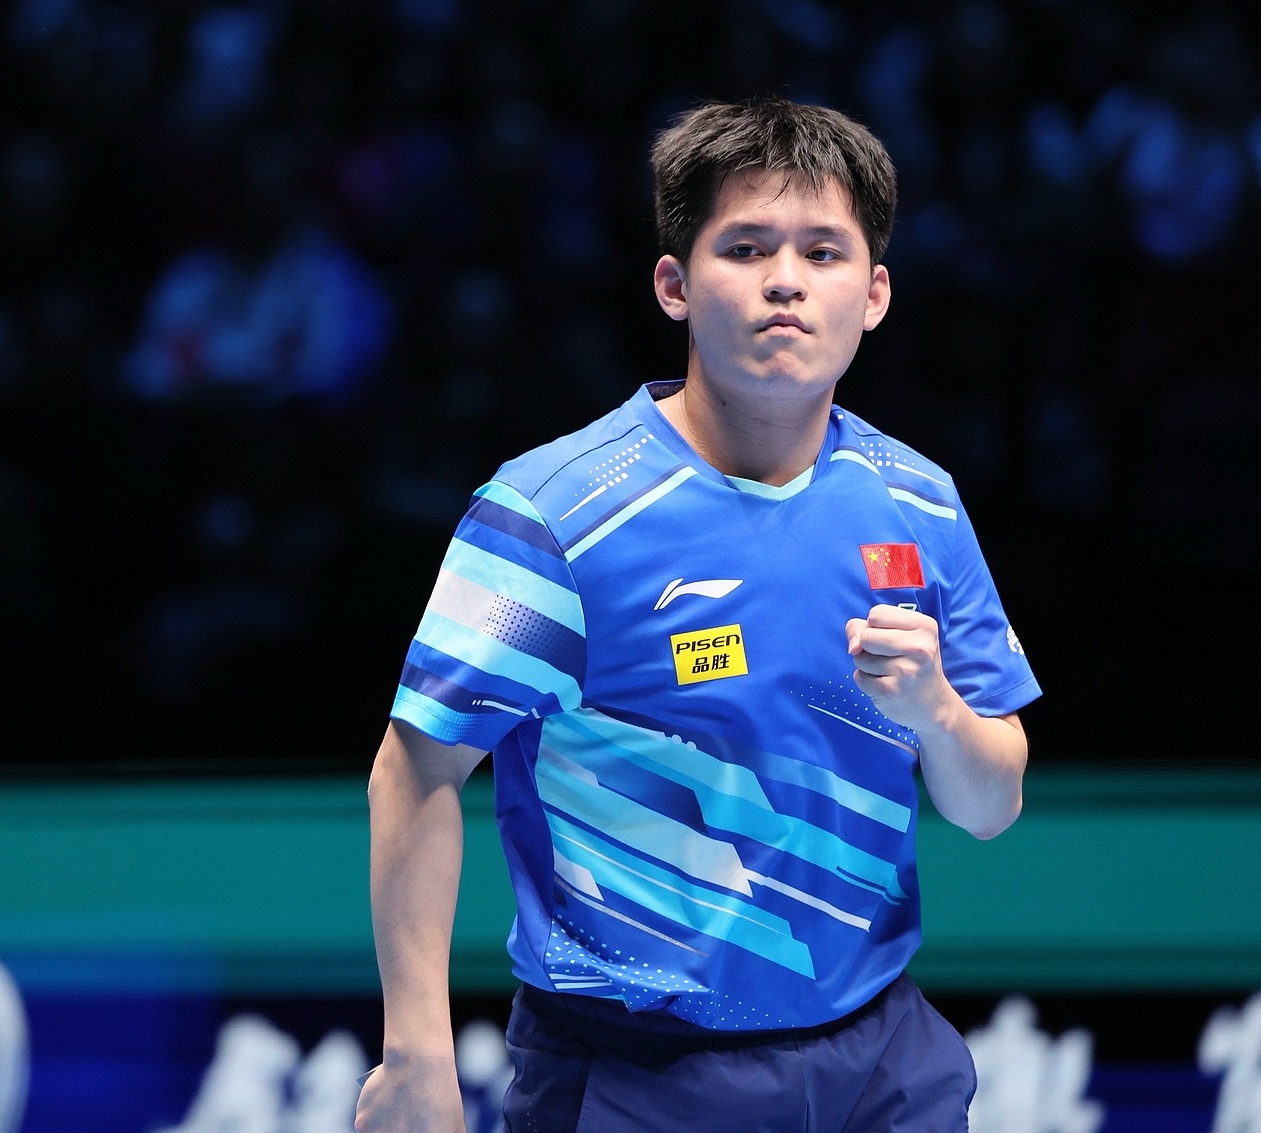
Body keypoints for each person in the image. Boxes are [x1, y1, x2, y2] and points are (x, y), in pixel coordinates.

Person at [355, 97, 1040, 1133]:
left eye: (823, 252)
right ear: (674, 284)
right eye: (746, 247)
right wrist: (416, 1054)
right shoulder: (550, 517)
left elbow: (991, 804)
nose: (785, 280)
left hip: (881, 1061)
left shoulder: (919, 503)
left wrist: (938, 713)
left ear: (874, 294)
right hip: (637, 1071)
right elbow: (415, 769)